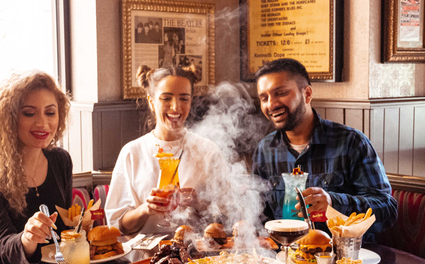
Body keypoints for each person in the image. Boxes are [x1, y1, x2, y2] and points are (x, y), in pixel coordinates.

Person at [252, 58, 397, 241]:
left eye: (280, 93)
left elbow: (387, 210)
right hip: (282, 260)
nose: (271, 104)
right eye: (264, 98)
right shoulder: (265, 149)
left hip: (343, 261)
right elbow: (259, 213)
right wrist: (244, 221)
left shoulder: (351, 142)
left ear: (307, 94)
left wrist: (333, 202)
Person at [105, 65, 228, 247]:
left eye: (183, 98)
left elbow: (225, 217)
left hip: (197, 259)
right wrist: (145, 209)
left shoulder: (208, 151)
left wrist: (199, 204)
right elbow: (118, 226)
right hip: (144, 261)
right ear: (151, 102)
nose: (176, 107)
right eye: (166, 98)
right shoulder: (132, 152)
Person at [0, 70, 72, 264]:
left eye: (50, 112)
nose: (42, 123)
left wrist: (81, 228)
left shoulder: (60, 160)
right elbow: (1, 248)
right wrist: (27, 238)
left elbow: (65, 230)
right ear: (10, 118)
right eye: (29, 113)